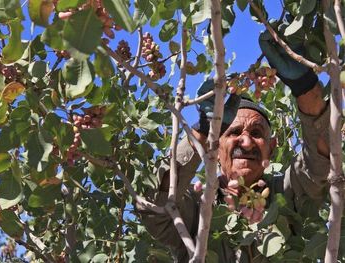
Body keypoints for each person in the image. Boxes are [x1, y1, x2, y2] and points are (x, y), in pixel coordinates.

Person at [139, 30, 330, 262]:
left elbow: (323, 160)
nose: (247, 142)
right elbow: (152, 206)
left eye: (257, 133)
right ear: (216, 148)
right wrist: (203, 131)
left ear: (271, 148)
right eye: (235, 132)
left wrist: (306, 87)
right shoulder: (197, 206)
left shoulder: (286, 194)